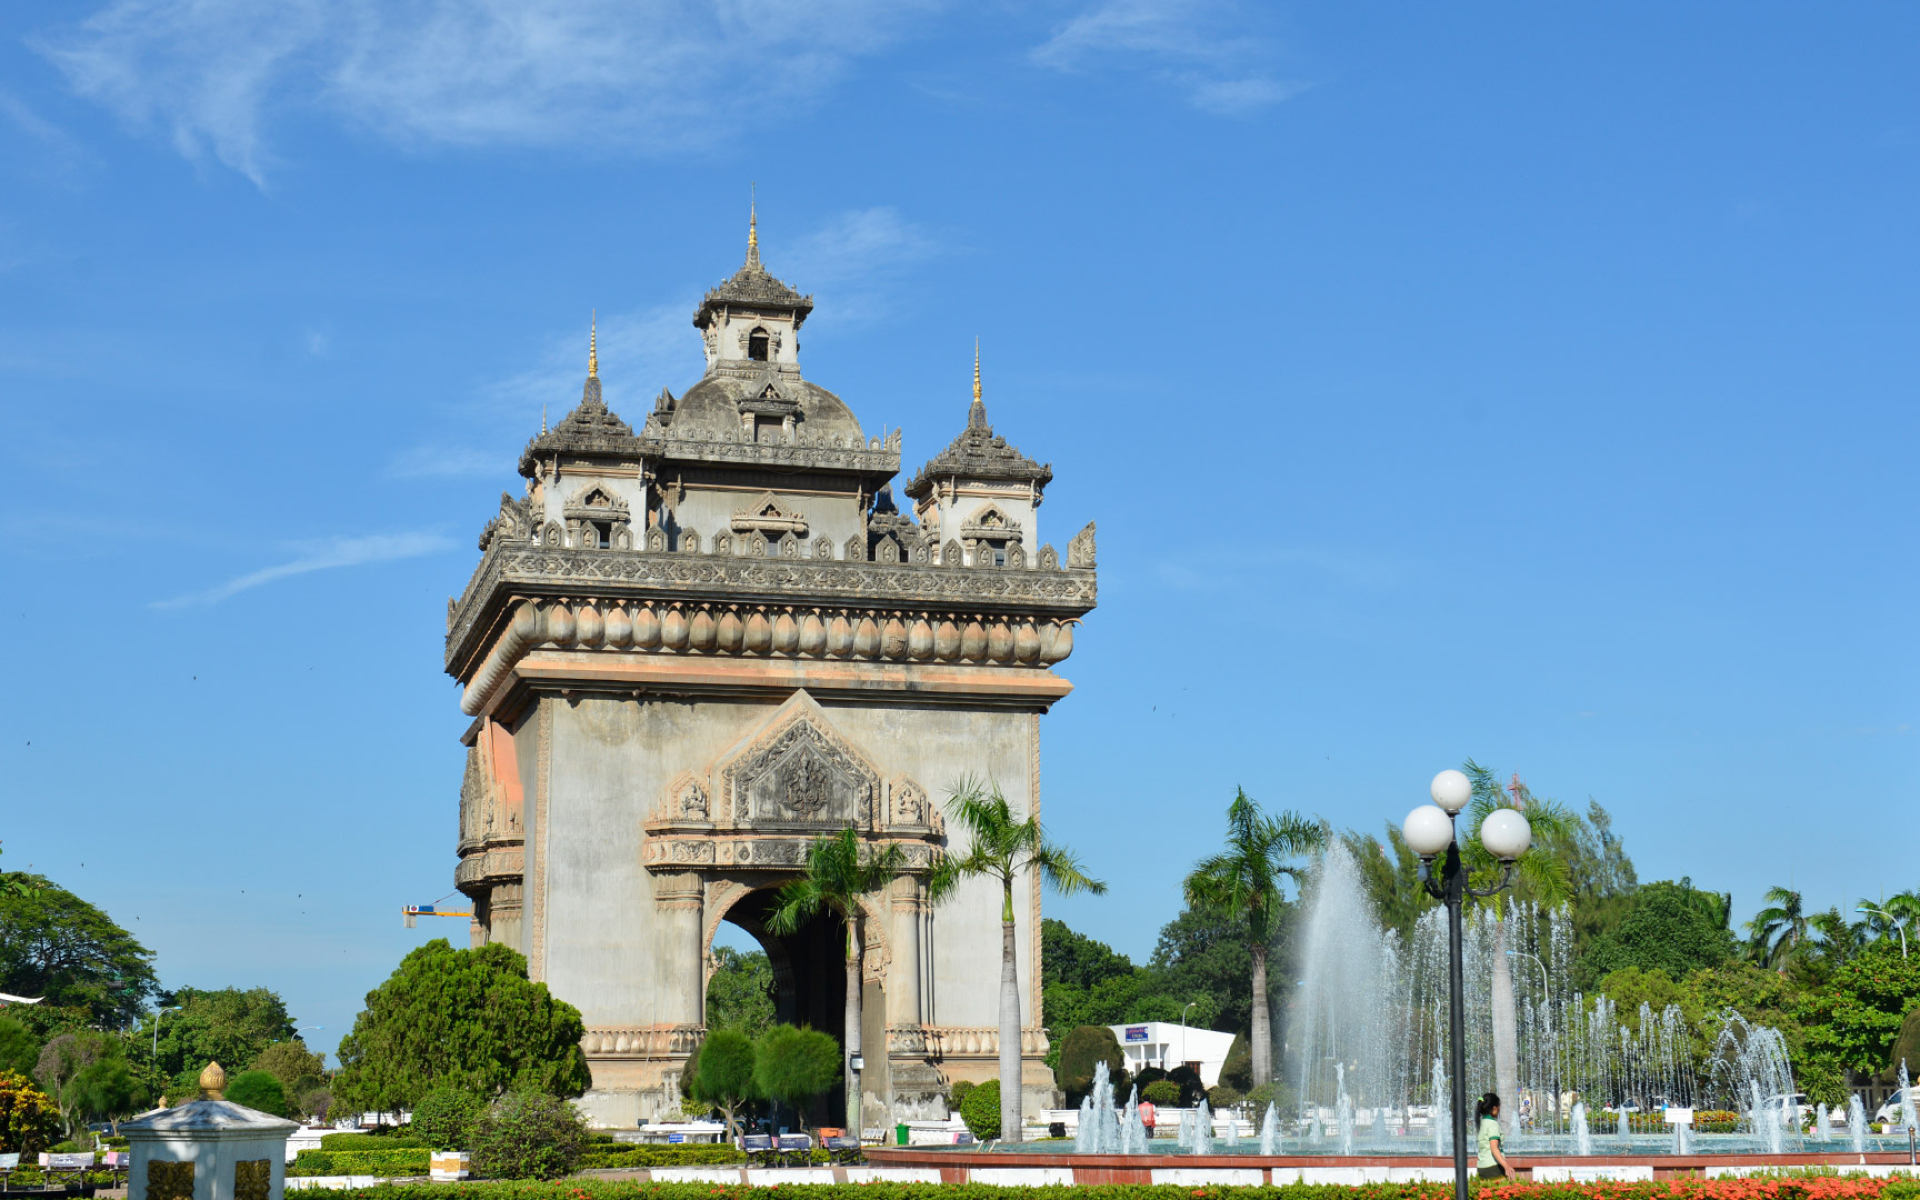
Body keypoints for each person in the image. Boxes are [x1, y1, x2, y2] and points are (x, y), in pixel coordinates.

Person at [1475, 1093, 1514, 1180]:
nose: (1500, 1109)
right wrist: (1506, 1165)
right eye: (1499, 1106)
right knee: (1502, 1192)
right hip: (1493, 1166)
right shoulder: (1493, 1124)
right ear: (1494, 1108)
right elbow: (1494, 1148)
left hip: (1481, 1166)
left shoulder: (1481, 1123)